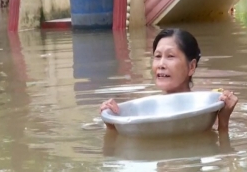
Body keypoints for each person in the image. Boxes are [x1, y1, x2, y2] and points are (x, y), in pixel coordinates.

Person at [99, 28, 238, 132]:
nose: (161, 64)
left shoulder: (206, 114)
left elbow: (220, 149)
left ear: (191, 67)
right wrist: (113, 124)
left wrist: (223, 120)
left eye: (170, 56)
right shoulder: (146, 110)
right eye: (157, 56)